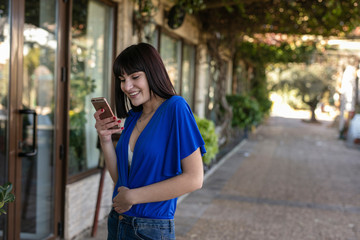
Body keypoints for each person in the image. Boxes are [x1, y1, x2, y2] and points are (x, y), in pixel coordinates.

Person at [93, 42, 206, 240]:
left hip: (151, 229)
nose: (127, 86)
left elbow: (194, 179)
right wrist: (105, 140)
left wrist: (133, 197)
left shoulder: (175, 108)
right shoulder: (134, 117)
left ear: (153, 73)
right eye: (122, 79)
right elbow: (121, 180)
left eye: (135, 77)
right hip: (118, 223)